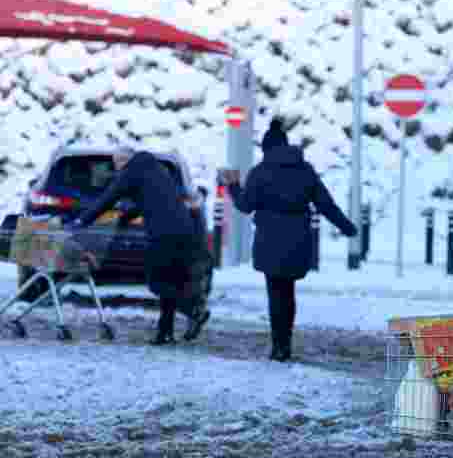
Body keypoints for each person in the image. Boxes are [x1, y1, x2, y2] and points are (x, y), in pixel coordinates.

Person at [224, 117, 357, 361]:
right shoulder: (305, 171)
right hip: (298, 241)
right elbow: (325, 204)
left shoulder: (260, 172)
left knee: (275, 292)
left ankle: (279, 346)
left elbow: (245, 205)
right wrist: (347, 228)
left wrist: (232, 186)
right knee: (289, 292)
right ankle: (286, 342)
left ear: (266, 149)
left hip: (269, 241)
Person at [72, 147, 211, 345]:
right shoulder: (156, 169)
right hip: (186, 231)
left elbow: (108, 199)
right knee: (169, 280)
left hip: (164, 234)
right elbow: (154, 199)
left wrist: (82, 221)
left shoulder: (131, 171)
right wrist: (127, 217)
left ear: (124, 161)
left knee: (157, 281)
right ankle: (165, 332)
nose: (115, 167)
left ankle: (194, 311)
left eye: (116, 162)